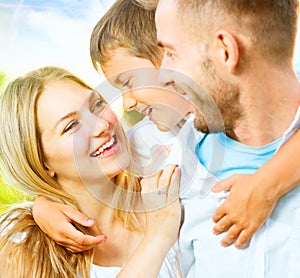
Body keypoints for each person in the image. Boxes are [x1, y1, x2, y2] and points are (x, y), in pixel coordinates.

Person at [32, 0, 300, 256]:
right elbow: (87, 174)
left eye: (128, 83)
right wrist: (41, 207)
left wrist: (266, 185)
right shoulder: (152, 140)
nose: (127, 103)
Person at [148, 0, 300, 276]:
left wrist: (267, 186)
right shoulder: (175, 166)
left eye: (171, 53)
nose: (162, 77)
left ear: (226, 51)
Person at [0, 66, 182, 277]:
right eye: (72, 125)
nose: (102, 125)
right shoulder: (24, 248)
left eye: (97, 105)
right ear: (40, 162)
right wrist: (157, 238)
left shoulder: (164, 169)